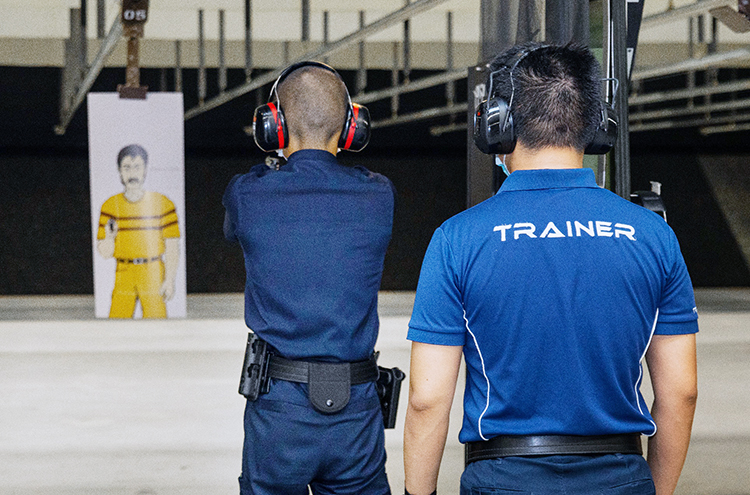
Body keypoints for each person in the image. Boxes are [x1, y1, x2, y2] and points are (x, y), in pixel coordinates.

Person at [403, 43, 698, 495]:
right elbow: (680, 393)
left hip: (502, 480)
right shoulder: (653, 236)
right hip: (621, 478)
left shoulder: (456, 240)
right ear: (598, 124)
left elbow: (427, 401)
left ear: (497, 125)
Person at [222, 61, 395, 495]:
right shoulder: (378, 195)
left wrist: (276, 163)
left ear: (273, 126)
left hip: (279, 408)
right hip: (357, 409)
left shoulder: (248, 193)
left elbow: (233, 226)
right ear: (352, 125)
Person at [96, 144, 180, 318]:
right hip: (124, 272)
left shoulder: (164, 203)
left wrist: (170, 279)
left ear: (145, 170)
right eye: (126, 167)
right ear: (119, 171)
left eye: (137, 167)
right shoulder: (110, 206)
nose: (132, 173)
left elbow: (172, 245)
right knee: (117, 324)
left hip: (153, 271)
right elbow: (105, 253)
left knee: (158, 326)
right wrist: (110, 237)